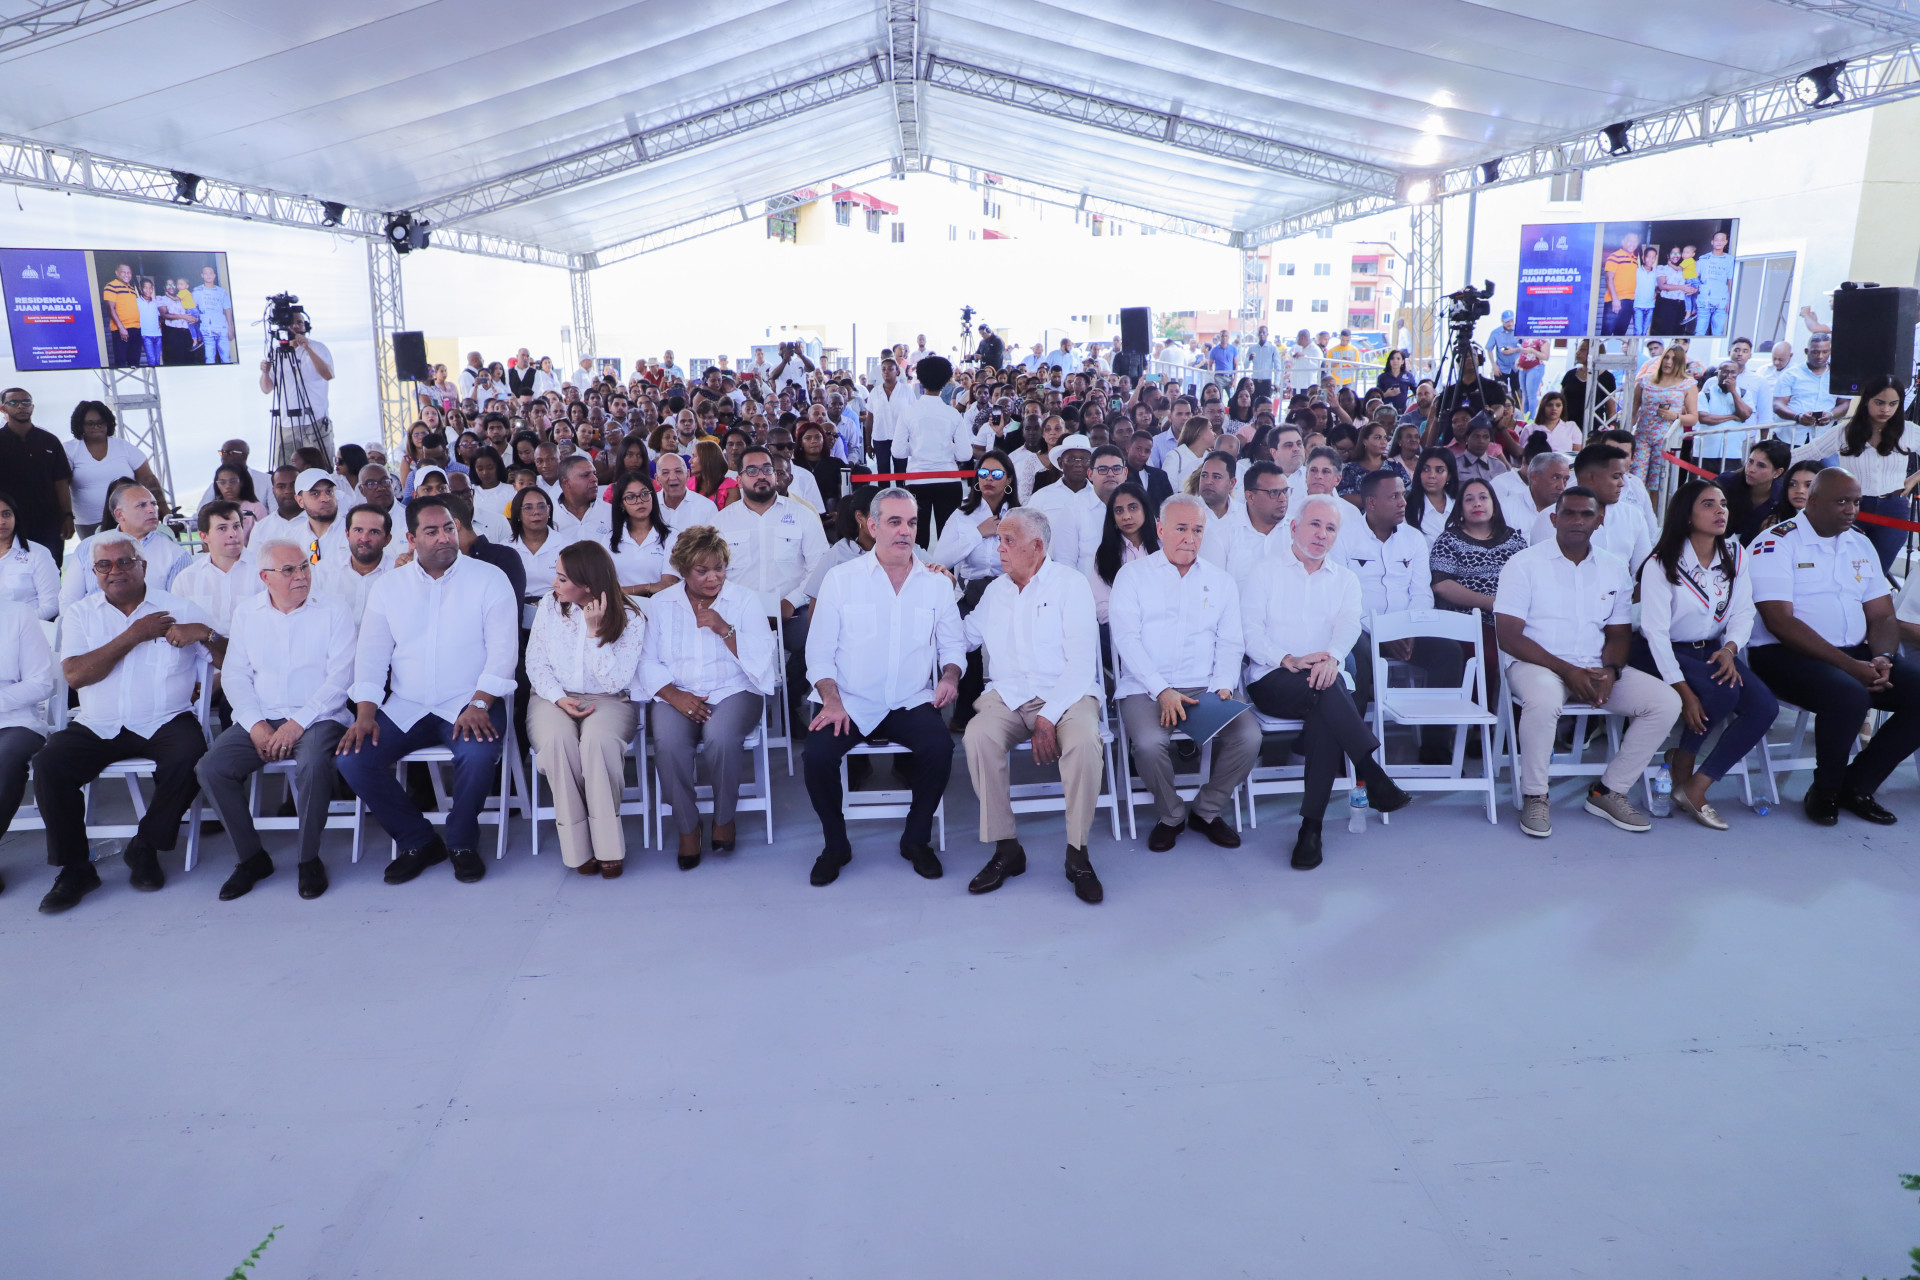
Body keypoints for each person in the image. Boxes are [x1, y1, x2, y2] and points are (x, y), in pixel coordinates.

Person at [335, 496, 519, 885]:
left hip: (471, 701)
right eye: (431, 531)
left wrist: (480, 702)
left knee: (477, 753)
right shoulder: (389, 587)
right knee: (353, 759)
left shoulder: (488, 578)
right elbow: (371, 656)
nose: (443, 538)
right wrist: (365, 713)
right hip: (408, 704)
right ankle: (417, 839)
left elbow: (503, 653)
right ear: (411, 539)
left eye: (449, 528)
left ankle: (461, 843)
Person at [32, 534, 219, 913]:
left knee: (193, 756)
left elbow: (230, 661)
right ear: (94, 572)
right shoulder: (81, 614)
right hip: (98, 724)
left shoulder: (179, 608)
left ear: (142, 566)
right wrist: (134, 635)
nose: (115, 570)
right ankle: (76, 868)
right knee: (49, 764)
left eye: (124, 561)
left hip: (165, 719)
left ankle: (145, 846)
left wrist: (206, 633)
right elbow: (76, 675)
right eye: (104, 564)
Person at [1493, 487, 1680, 838]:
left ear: (1599, 520)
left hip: (1594, 666)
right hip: (1535, 664)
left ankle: (1609, 791)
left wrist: (1611, 670)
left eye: (1586, 514)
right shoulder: (1523, 564)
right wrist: (1567, 671)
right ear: (1554, 519)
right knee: (1543, 701)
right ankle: (1535, 795)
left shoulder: (1614, 567)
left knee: (1665, 702)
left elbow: (1619, 634)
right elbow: (1509, 637)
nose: (1577, 521)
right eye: (1569, 513)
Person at [801, 488, 963, 887]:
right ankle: (835, 844)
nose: (905, 531)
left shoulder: (936, 583)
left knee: (940, 748)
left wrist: (949, 675)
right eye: (894, 522)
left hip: (910, 699)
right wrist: (831, 700)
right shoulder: (841, 580)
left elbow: (953, 645)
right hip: (850, 700)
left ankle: (916, 838)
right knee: (816, 756)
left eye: (911, 522)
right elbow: (818, 651)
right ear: (872, 526)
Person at [1241, 494, 1410, 869]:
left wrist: (1331, 657)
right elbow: (1249, 633)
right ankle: (1370, 772)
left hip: (1325, 677)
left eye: (1330, 528)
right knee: (1329, 692)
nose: (1322, 534)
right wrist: (1288, 659)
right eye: (1314, 524)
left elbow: (1348, 627)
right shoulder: (1264, 573)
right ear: (1294, 527)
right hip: (1274, 678)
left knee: (1325, 701)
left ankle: (1311, 830)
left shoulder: (1345, 580)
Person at [1747, 469, 1920, 825]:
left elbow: (1882, 616)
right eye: (1841, 501)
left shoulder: (1860, 543)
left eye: (1856, 502)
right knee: (1849, 694)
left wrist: (1883, 657)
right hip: (1783, 654)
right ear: (1812, 502)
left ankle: (1856, 786)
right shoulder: (1777, 543)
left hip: (1855, 653)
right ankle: (1824, 790)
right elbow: (1780, 622)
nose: (1851, 509)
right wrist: (1850, 667)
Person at [193, 541, 355, 901]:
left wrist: (296, 724)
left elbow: (341, 679)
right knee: (211, 768)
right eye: (289, 570)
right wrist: (255, 725)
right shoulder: (247, 613)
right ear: (265, 577)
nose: (301, 576)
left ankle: (308, 858)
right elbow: (235, 676)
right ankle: (252, 858)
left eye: (304, 566)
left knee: (313, 763)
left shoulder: (333, 609)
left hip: (319, 717)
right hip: (263, 716)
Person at [960, 508, 1107, 903]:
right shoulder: (997, 591)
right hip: (1010, 695)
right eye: (999, 540)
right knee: (978, 736)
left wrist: (1047, 717)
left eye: (1008, 541)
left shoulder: (1070, 585)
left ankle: (1077, 852)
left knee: (1084, 742)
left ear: (1037, 546)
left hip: (1067, 694)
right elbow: (965, 637)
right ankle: (1007, 848)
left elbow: (1080, 665)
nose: (999, 548)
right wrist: (938, 591)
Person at [1109, 494, 1261, 852]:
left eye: (1197, 530)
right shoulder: (1133, 576)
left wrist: (1223, 685)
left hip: (1205, 686)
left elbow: (1230, 642)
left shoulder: (1221, 581)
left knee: (1248, 737)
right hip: (1146, 687)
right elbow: (1126, 641)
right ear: (1160, 530)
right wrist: (1161, 690)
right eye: (1181, 529)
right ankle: (1172, 814)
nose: (1190, 538)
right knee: (1149, 745)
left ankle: (1207, 810)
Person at [1632, 480, 1774, 831]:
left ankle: (1696, 784)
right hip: (1659, 650)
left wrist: (1730, 648)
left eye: (1722, 503)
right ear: (1687, 515)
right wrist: (1684, 692)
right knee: (1723, 692)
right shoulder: (1661, 563)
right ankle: (1683, 761)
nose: (1720, 510)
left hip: (1711, 649)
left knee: (1764, 707)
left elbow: (1743, 611)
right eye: (1708, 504)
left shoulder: (1735, 554)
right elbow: (1655, 633)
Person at [635, 525, 779, 869]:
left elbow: (762, 658)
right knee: (668, 743)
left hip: (734, 689)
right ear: (683, 569)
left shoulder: (743, 600)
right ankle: (688, 827)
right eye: (702, 570)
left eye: (719, 568)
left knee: (721, 738)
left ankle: (724, 818)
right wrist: (674, 695)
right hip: (676, 691)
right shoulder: (661, 604)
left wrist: (724, 629)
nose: (713, 577)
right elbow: (645, 660)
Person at [526, 541, 645, 877]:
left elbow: (615, 681)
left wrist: (595, 634)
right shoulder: (550, 606)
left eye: (562, 578)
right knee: (558, 742)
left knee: (597, 744)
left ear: (588, 584)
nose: (554, 583)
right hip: (551, 696)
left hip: (608, 699)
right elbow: (535, 661)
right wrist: (557, 697)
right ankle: (577, 847)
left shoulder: (631, 616)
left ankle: (608, 847)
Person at [1333, 470, 1463, 762]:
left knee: (1449, 653)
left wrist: (1408, 629)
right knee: (1358, 656)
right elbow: (1343, 599)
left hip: (1406, 630)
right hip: (1360, 629)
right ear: (1371, 503)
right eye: (1394, 496)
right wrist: (1383, 633)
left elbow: (1421, 593)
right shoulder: (1343, 538)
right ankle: (1351, 754)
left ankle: (1435, 748)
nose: (1403, 502)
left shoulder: (1413, 539)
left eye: (1403, 495)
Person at [1790, 375, 1920, 573]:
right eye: (1879, 402)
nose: (1886, 409)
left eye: (1893, 404)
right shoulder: (1844, 431)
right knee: (1844, 571)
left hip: (1894, 510)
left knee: (1876, 573)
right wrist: (1765, 462)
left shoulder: (1909, 431)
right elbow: (1806, 453)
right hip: (1850, 508)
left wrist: (1914, 479)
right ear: (1866, 400)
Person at [1528, 444, 1650, 574]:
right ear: (1591, 477)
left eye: (1622, 476)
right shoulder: (1550, 517)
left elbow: (1642, 573)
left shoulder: (1633, 515)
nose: (1622, 483)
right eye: (1616, 476)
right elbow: (1541, 572)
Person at [61, 482, 187, 607]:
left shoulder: (175, 554)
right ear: (120, 514)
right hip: (92, 618)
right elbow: (68, 601)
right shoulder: (88, 547)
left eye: (153, 504)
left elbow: (178, 607)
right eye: (141, 505)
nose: (152, 510)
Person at [894, 356, 973, 547]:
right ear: (946, 382)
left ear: (920, 380)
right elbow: (965, 455)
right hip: (949, 481)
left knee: (918, 541)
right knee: (949, 541)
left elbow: (898, 452)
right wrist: (947, 447)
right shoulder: (952, 413)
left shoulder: (908, 412)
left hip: (917, 481)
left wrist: (917, 447)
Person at [1429, 478, 1527, 616]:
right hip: (1467, 620)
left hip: (1513, 616)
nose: (1477, 504)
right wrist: (1489, 603)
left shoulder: (1514, 539)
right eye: (1469, 499)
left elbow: (1530, 578)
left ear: (1494, 505)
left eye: (1483, 497)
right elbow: (1440, 585)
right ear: (1460, 509)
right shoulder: (1448, 540)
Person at [65, 401, 164, 536]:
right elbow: (61, 485)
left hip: (128, 518)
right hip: (89, 522)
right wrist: (66, 516)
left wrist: (162, 507)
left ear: (108, 423)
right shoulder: (70, 450)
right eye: (90, 423)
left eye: (101, 422)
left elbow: (148, 478)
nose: (96, 427)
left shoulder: (123, 447)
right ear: (80, 425)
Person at [0, 388, 75, 566]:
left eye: (26, 402)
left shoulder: (50, 441)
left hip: (49, 522)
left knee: (51, 569)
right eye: (14, 402)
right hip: (9, 523)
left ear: (32, 407)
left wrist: (67, 516)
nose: (21, 406)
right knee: (12, 572)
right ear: (3, 408)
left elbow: (61, 482)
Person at [171, 501, 263, 640]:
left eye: (236, 526)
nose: (232, 534)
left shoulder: (264, 570)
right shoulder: (186, 579)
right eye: (222, 528)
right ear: (204, 536)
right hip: (204, 653)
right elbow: (179, 627)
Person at [257, 313, 335, 464]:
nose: (295, 326)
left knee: (321, 468)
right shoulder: (277, 352)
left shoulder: (318, 347)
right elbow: (266, 389)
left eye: (299, 322)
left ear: (306, 325)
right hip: (287, 424)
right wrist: (265, 372)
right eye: (290, 323)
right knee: (285, 468)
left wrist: (307, 348)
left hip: (315, 421)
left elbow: (328, 375)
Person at [1026, 434, 1105, 574]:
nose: (1078, 464)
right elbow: (1027, 532)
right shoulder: (1042, 497)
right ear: (1060, 462)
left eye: (1084, 459)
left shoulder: (1100, 497)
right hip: (1048, 572)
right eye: (1071, 459)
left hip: (1092, 573)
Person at [1626, 345, 1698, 492]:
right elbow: (1632, 412)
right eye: (1666, 357)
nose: (1668, 362)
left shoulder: (1688, 384)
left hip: (1666, 440)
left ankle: (1654, 508)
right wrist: (1626, 435)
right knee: (1635, 480)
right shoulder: (1644, 381)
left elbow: (1693, 418)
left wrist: (1675, 416)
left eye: (1674, 359)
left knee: (1657, 485)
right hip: (1642, 437)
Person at [313, 503, 395, 624]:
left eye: (374, 532)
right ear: (347, 534)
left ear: (387, 540)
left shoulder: (396, 574)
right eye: (358, 530)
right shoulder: (324, 570)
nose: (364, 538)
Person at [603, 471, 679, 600]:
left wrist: (625, 590)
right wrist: (649, 587)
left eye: (644, 494)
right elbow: (605, 587)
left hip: (660, 605)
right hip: (622, 607)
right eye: (630, 497)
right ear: (621, 504)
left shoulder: (671, 536)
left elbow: (668, 585)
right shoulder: (609, 539)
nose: (639, 501)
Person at [1771, 334, 1850, 445]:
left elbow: (1844, 404)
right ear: (1806, 351)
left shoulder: (1840, 376)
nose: (1820, 356)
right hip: (1789, 437)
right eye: (1815, 352)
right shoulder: (1791, 374)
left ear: (1831, 351)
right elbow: (1778, 404)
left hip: (1822, 438)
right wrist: (1798, 417)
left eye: (1825, 352)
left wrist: (1831, 415)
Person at [1717, 439, 1792, 545]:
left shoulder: (1783, 496)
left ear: (1778, 472)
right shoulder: (1725, 483)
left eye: (1761, 465)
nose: (1751, 469)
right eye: (1750, 461)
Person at [0, 488, 60, 620]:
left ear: (15, 517)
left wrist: (17, 625)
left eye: (6, 514)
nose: (2, 521)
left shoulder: (38, 554)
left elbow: (51, 606)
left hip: (30, 627)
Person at [1405, 445, 1459, 548]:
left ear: (1449, 475)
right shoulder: (1407, 507)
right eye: (1426, 469)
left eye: (1439, 470)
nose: (1431, 475)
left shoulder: (1459, 505)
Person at [652, 451, 721, 529]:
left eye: (678, 471)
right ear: (657, 478)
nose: (672, 477)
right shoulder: (650, 505)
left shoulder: (707, 507)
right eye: (665, 472)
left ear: (688, 474)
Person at [1246, 325, 1282, 404]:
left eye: (1263, 332)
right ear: (1257, 334)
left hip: (1267, 382)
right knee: (1254, 404)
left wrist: (1276, 382)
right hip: (1255, 381)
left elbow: (1277, 367)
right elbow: (1245, 366)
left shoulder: (1272, 348)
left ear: (1267, 334)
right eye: (1260, 332)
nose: (1261, 334)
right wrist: (1249, 359)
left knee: (1266, 404)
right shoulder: (1252, 348)